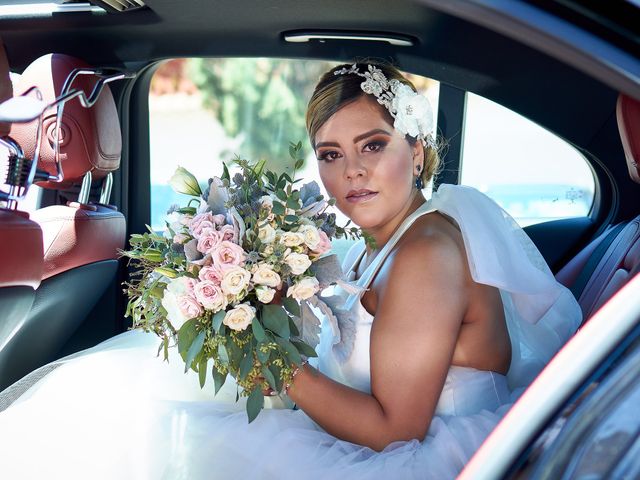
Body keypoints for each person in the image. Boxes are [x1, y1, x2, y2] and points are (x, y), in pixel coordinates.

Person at [0, 62, 581, 479]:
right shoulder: (379, 242)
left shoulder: (427, 253)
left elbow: (394, 432)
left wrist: (269, 363)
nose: (351, 172)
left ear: (420, 150)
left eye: (373, 145)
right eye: (330, 154)